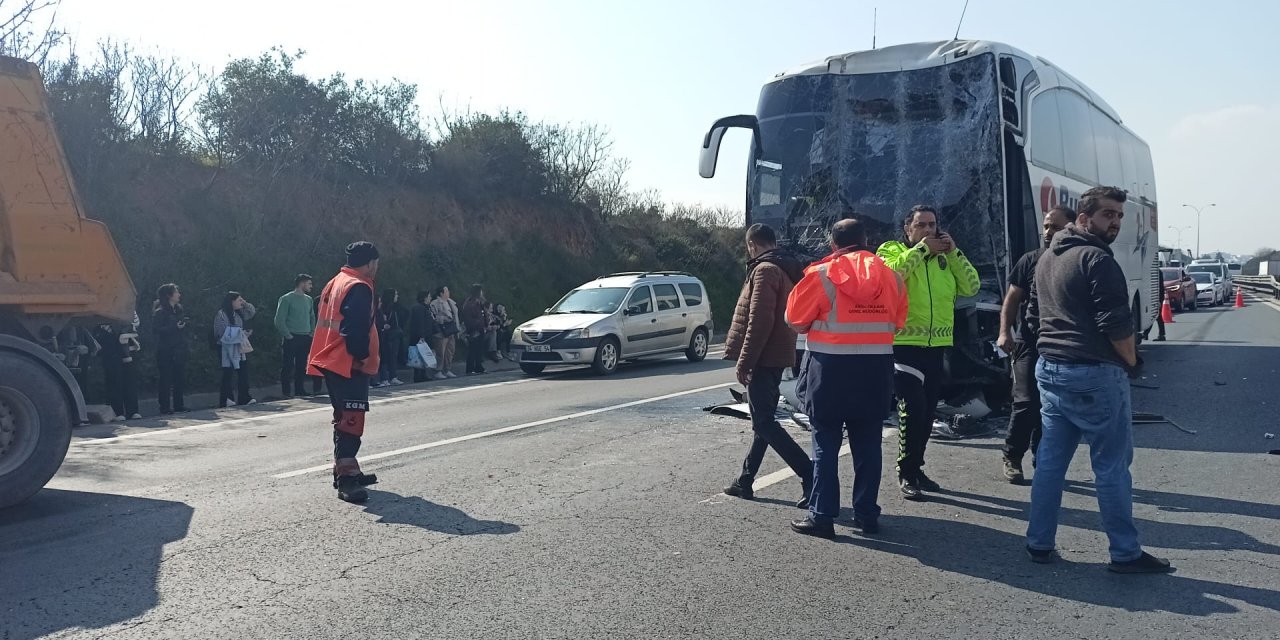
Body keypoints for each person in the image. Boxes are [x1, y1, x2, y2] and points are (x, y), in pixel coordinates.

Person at [1024, 186, 1172, 573]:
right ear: (1084, 218)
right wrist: (1132, 362)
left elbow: (1033, 316)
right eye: (1108, 214)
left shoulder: (1047, 258)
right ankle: (1125, 553)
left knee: (1050, 463)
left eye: (1119, 216)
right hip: (1094, 373)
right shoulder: (1097, 259)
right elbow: (1116, 323)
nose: (1116, 222)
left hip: (1051, 369)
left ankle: (1039, 542)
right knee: (1110, 467)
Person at [787, 218, 906, 537]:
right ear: (866, 240)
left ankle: (822, 516)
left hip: (829, 371)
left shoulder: (820, 275)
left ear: (833, 244)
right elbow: (899, 322)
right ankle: (867, 515)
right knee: (868, 445)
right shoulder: (891, 276)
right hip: (875, 371)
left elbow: (795, 320)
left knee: (825, 443)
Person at [877, 205, 980, 500]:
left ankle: (916, 467)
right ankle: (906, 472)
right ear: (907, 228)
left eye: (932, 225)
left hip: (936, 346)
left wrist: (954, 252)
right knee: (913, 408)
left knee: (927, 412)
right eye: (921, 225)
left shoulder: (945, 258)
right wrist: (922, 249)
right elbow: (891, 277)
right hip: (904, 343)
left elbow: (971, 286)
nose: (928, 230)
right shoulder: (892, 249)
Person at [721, 223, 813, 506]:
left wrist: (745, 362)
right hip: (778, 354)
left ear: (752, 245)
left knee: (764, 423)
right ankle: (745, 480)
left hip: (764, 357)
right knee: (763, 421)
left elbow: (759, 321)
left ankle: (810, 474)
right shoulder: (784, 268)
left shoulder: (764, 270)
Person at [996, 206, 1073, 483]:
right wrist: (1005, 333)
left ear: (1071, 228)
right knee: (1026, 402)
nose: (1048, 232)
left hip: (1062, 346)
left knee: (1051, 406)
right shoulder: (1030, 260)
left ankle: (1043, 458)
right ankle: (1012, 456)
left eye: (1055, 227)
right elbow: (1012, 299)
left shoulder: (1076, 260)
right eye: (1046, 226)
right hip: (1029, 342)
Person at [309, 241, 382, 503]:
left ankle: (344, 470)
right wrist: (361, 357)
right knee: (351, 420)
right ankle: (347, 481)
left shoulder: (336, 281)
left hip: (330, 358)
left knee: (343, 416)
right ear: (370, 263)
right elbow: (354, 328)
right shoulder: (359, 286)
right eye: (376, 263)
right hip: (348, 362)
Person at [275, 274, 318, 398]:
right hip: (292, 337)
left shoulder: (308, 299)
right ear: (302, 283)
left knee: (302, 365)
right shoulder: (286, 299)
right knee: (288, 365)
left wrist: (312, 332)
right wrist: (287, 335)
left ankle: (300, 389)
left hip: (305, 337)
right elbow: (279, 320)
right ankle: (286, 392)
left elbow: (312, 317)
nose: (311, 286)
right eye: (309, 283)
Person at [94, 316, 142, 421]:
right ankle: (117, 411)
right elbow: (99, 325)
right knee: (114, 379)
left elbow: (136, 321)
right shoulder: (104, 312)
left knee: (130, 379)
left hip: (128, 346)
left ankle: (133, 411)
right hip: (110, 346)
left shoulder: (129, 310)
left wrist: (126, 329)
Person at [214, 292, 257, 407]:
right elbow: (221, 333)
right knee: (228, 373)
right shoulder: (221, 314)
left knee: (243, 372)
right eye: (239, 300)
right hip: (226, 348)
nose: (241, 302)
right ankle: (226, 398)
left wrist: (245, 303)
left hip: (238, 346)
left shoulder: (238, 314)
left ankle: (244, 397)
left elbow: (251, 312)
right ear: (231, 301)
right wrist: (240, 334)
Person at [153, 283, 189, 414]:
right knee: (166, 378)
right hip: (165, 350)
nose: (179, 294)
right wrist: (174, 327)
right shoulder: (160, 312)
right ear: (169, 295)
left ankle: (179, 404)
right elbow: (156, 330)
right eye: (176, 292)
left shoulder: (178, 310)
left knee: (179, 377)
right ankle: (165, 406)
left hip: (178, 348)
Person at [407, 290, 440, 383]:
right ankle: (418, 375)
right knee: (419, 355)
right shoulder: (419, 308)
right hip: (420, 336)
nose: (430, 298)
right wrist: (421, 336)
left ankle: (423, 374)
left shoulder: (426, 308)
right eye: (429, 296)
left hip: (426, 335)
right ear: (425, 298)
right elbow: (420, 323)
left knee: (424, 355)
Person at [376, 288, 405, 386]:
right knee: (389, 356)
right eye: (395, 294)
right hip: (388, 334)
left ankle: (391, 376)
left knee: (392, 356)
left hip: (392, 334)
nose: (397, 296)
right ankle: (389, 377)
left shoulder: (394, 307)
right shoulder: (387, 308)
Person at [429, 285, 459, 378]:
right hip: (441, 331)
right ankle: (438, 370)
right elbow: (433, 317)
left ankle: (447, 369)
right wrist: (444, 319)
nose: (448, 292)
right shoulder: (435, 303)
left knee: (450, 351)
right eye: (446, 291)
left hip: (451, 329)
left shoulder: (451, 302)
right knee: (440, 352)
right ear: (441, 293)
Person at [461, 284, 490, 375]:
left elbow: (483, 314)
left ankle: (478, 366)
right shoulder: (470, 304)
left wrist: (486, 323)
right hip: (474, 329)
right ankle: (470, 368)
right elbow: (469, 319)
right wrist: (479, 324)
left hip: (481, 329)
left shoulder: (479, 303)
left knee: (479, 349)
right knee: (472, 349)